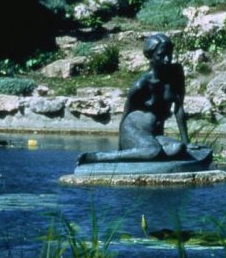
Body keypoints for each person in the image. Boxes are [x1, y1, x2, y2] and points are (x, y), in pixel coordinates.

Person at [77, 33, 195, 164]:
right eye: (161, 55)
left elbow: (179, 109)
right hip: (133, 131)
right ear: (150, 57)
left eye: (169, 54)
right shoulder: (141, 85)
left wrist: (186, 142)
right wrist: (121, 145)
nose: (167, 59)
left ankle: (147, 149)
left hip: (155, 134)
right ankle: (99, 157)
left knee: (178, 148)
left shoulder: (177, 73)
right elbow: (126, 114)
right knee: (153, 151)